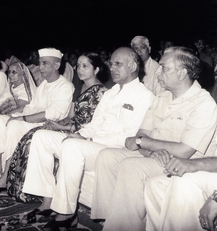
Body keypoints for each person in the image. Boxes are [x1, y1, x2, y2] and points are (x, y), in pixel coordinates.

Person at [21, 47, 154, 230]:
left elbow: (128, 136)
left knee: (72, 147)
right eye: (111, 63)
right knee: (42, 136)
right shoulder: (111, 93)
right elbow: (94, 123)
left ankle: (66, 213)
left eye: (118, 64)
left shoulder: (144, 96)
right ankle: (47, 201)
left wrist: (87, 141)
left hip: (111, 149)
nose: (112, 67)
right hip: (92, 144)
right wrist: (80, 134)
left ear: (132, 66)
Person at [91, 46, 217, 231]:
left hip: (185, 162)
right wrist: (149, 150)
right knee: (107, 156)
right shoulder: (162, 98)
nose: (158, 71)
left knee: (131, 166)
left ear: (182, 73)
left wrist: (145, 144)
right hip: (157, 156)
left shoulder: (203, 103)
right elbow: (139, 137)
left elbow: (184, 150)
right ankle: (110, 218)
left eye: (164, 68)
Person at [6, 52, 108, 203]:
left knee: (34, 136)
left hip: (83, 134)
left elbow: (88, 125)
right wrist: (58, 123)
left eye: (85, 66)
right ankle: (22, 186)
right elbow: (70, 116)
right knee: (33, 133)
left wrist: (62, 127)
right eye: (78, 65)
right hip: (70, 127)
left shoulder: (101, 92)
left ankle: (28, 190)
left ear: (96, 69)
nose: (79, 69)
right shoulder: (80, 87)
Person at [0, 47, 74, 191]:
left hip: (48, 125)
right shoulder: (44, 85)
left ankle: (6, 175)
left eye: (45, 63)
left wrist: (22, 119)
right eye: (40, 63)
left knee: (14, 126)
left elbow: (53, 113)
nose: (40, 67)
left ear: (57, 65)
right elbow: (32, 106)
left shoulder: (65, 86)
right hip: (32, 119)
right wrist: (13, 116)